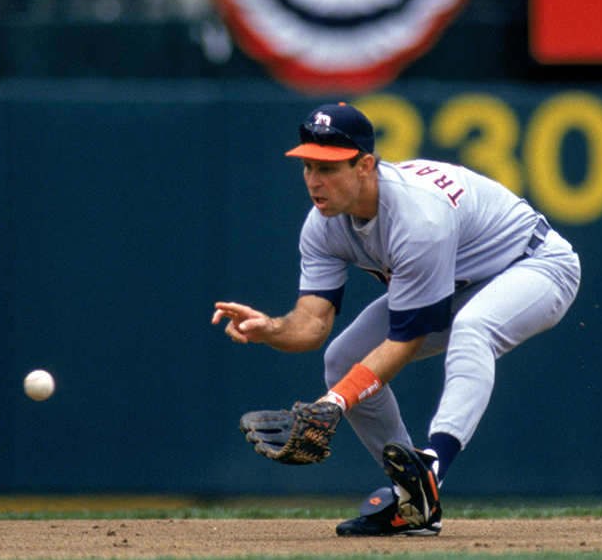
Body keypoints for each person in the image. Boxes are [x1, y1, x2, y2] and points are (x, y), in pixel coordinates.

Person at [212, 102, 581, 536]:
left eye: (329, 168)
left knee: (472, 329)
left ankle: (432, 467)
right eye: (308, 166)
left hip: (535, 265)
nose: (314, 180)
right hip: (458, 283)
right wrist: (270, 329)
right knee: (341, 358)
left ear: (365, 166)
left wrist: (333, 404)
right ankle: (415, 501)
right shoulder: (323, 225)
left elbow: (408, 337)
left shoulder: (417, 216)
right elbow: (312, 324)